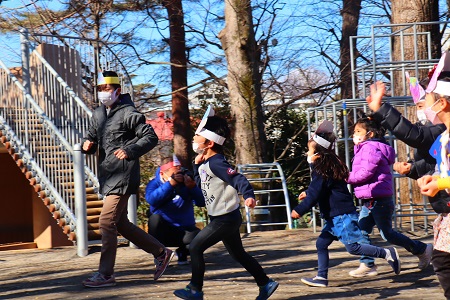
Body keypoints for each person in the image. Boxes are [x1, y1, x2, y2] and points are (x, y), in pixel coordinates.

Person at [173, 106, 278, 300]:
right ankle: (265, 283)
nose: (194, 139)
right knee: (238, 254)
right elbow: (201, 182)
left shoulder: (218, 163)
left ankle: (195, 289)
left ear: (210, 143)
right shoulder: (206, 162)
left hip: (225, 219)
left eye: (197, 136)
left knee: (195, 247)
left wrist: (248, 194)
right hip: (222, 217)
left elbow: (238, 179)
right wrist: (196, 166)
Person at [80, 71, 174, 288]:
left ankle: (105, 274)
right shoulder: (99, 114)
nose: (103, 93)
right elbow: (91, 136)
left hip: (123, 174)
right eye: (100, 89)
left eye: (106, 89)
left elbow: (150, 137)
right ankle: (161, 252)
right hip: (108, 174)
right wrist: (87, 144)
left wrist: (130, 149)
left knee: (106, 221)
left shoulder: (129, 113)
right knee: (120, 223)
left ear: (117, 91)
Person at [291, 121, 401, 288]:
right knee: (321, 243)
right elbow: (323, 188)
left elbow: (316, 192)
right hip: (335, 216)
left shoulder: (321, 169)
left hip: (341, 215)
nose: (308, 154)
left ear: (318, 153)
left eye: (310, 150)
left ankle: (386, 253)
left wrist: (300, 209)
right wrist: (308, 192)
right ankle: (321, 277)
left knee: (353, 248)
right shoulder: (327, 166)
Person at [346, 116, 432, 278]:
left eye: (358, 131)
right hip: (371, 198)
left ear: (370, 134)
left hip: (379, 199)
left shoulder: (371, 148)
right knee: (362, 230)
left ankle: (421, 249)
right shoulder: (368, 147)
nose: (354, 135)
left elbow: (365, 173)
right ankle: (367, 264)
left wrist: (345, 176)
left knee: (387, 234)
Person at [395, 52, 450, 299]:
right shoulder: (443, 137)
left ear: (442, 103)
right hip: (446, 211)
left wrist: (439, 182)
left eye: (425, 101)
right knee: (442, 260)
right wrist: (430, 177)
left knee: (443, 262)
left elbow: (413, 135)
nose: (424, 108)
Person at [145, 155, 205, 265]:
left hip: (184, 229)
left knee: (202, 238)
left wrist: (193, 188)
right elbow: (151, 200)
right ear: (163, 174)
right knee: (154, 219)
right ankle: (159, 254)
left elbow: (202, 202)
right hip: (163, 229)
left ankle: (182, 252)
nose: (179, 176)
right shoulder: (154, 184)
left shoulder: (186, 182)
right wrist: (170, 185)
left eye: (180, 172)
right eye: (174, 174)